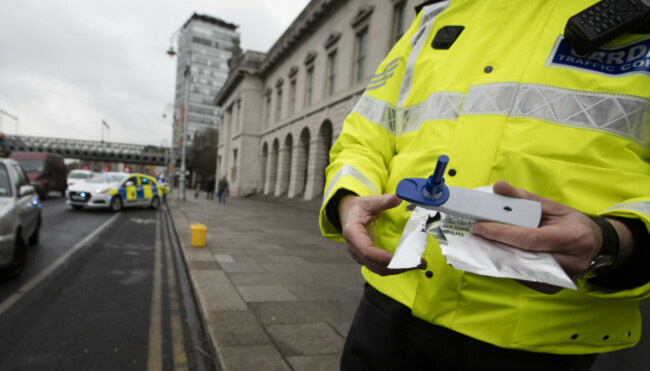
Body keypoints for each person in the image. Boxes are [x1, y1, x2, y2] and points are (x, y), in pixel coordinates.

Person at [319, 1, 650, 370]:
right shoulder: (437, 15)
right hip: (392, 300)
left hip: (543, 330)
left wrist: (615, 239)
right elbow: (365, 132)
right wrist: (349, 199)